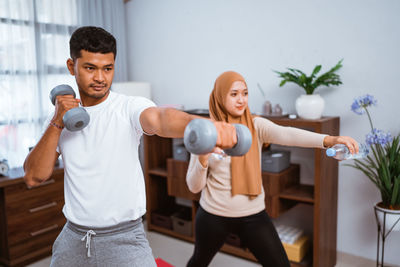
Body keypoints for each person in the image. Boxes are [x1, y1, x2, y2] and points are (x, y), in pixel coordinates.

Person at [23, 26, 237, 267]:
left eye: (108, 68)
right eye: (90, 68)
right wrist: (57, 121)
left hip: (125, 238)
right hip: (74, 237)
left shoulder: (128, 107)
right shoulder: (59, 118)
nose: (100, 78)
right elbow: (33, 177)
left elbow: (161, 119)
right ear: (72, 67)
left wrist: (205, 126)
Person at [185, 71, 358, 267]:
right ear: (219, 96)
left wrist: (329, 140)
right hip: (213, 214)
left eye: (245, 93)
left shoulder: (256, 125)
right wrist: (203, 158)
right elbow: (194, 186)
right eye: (234, 94)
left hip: (253, 214)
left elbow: (288, 134)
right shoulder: (204, 132)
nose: (241, 100)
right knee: (198, 262)